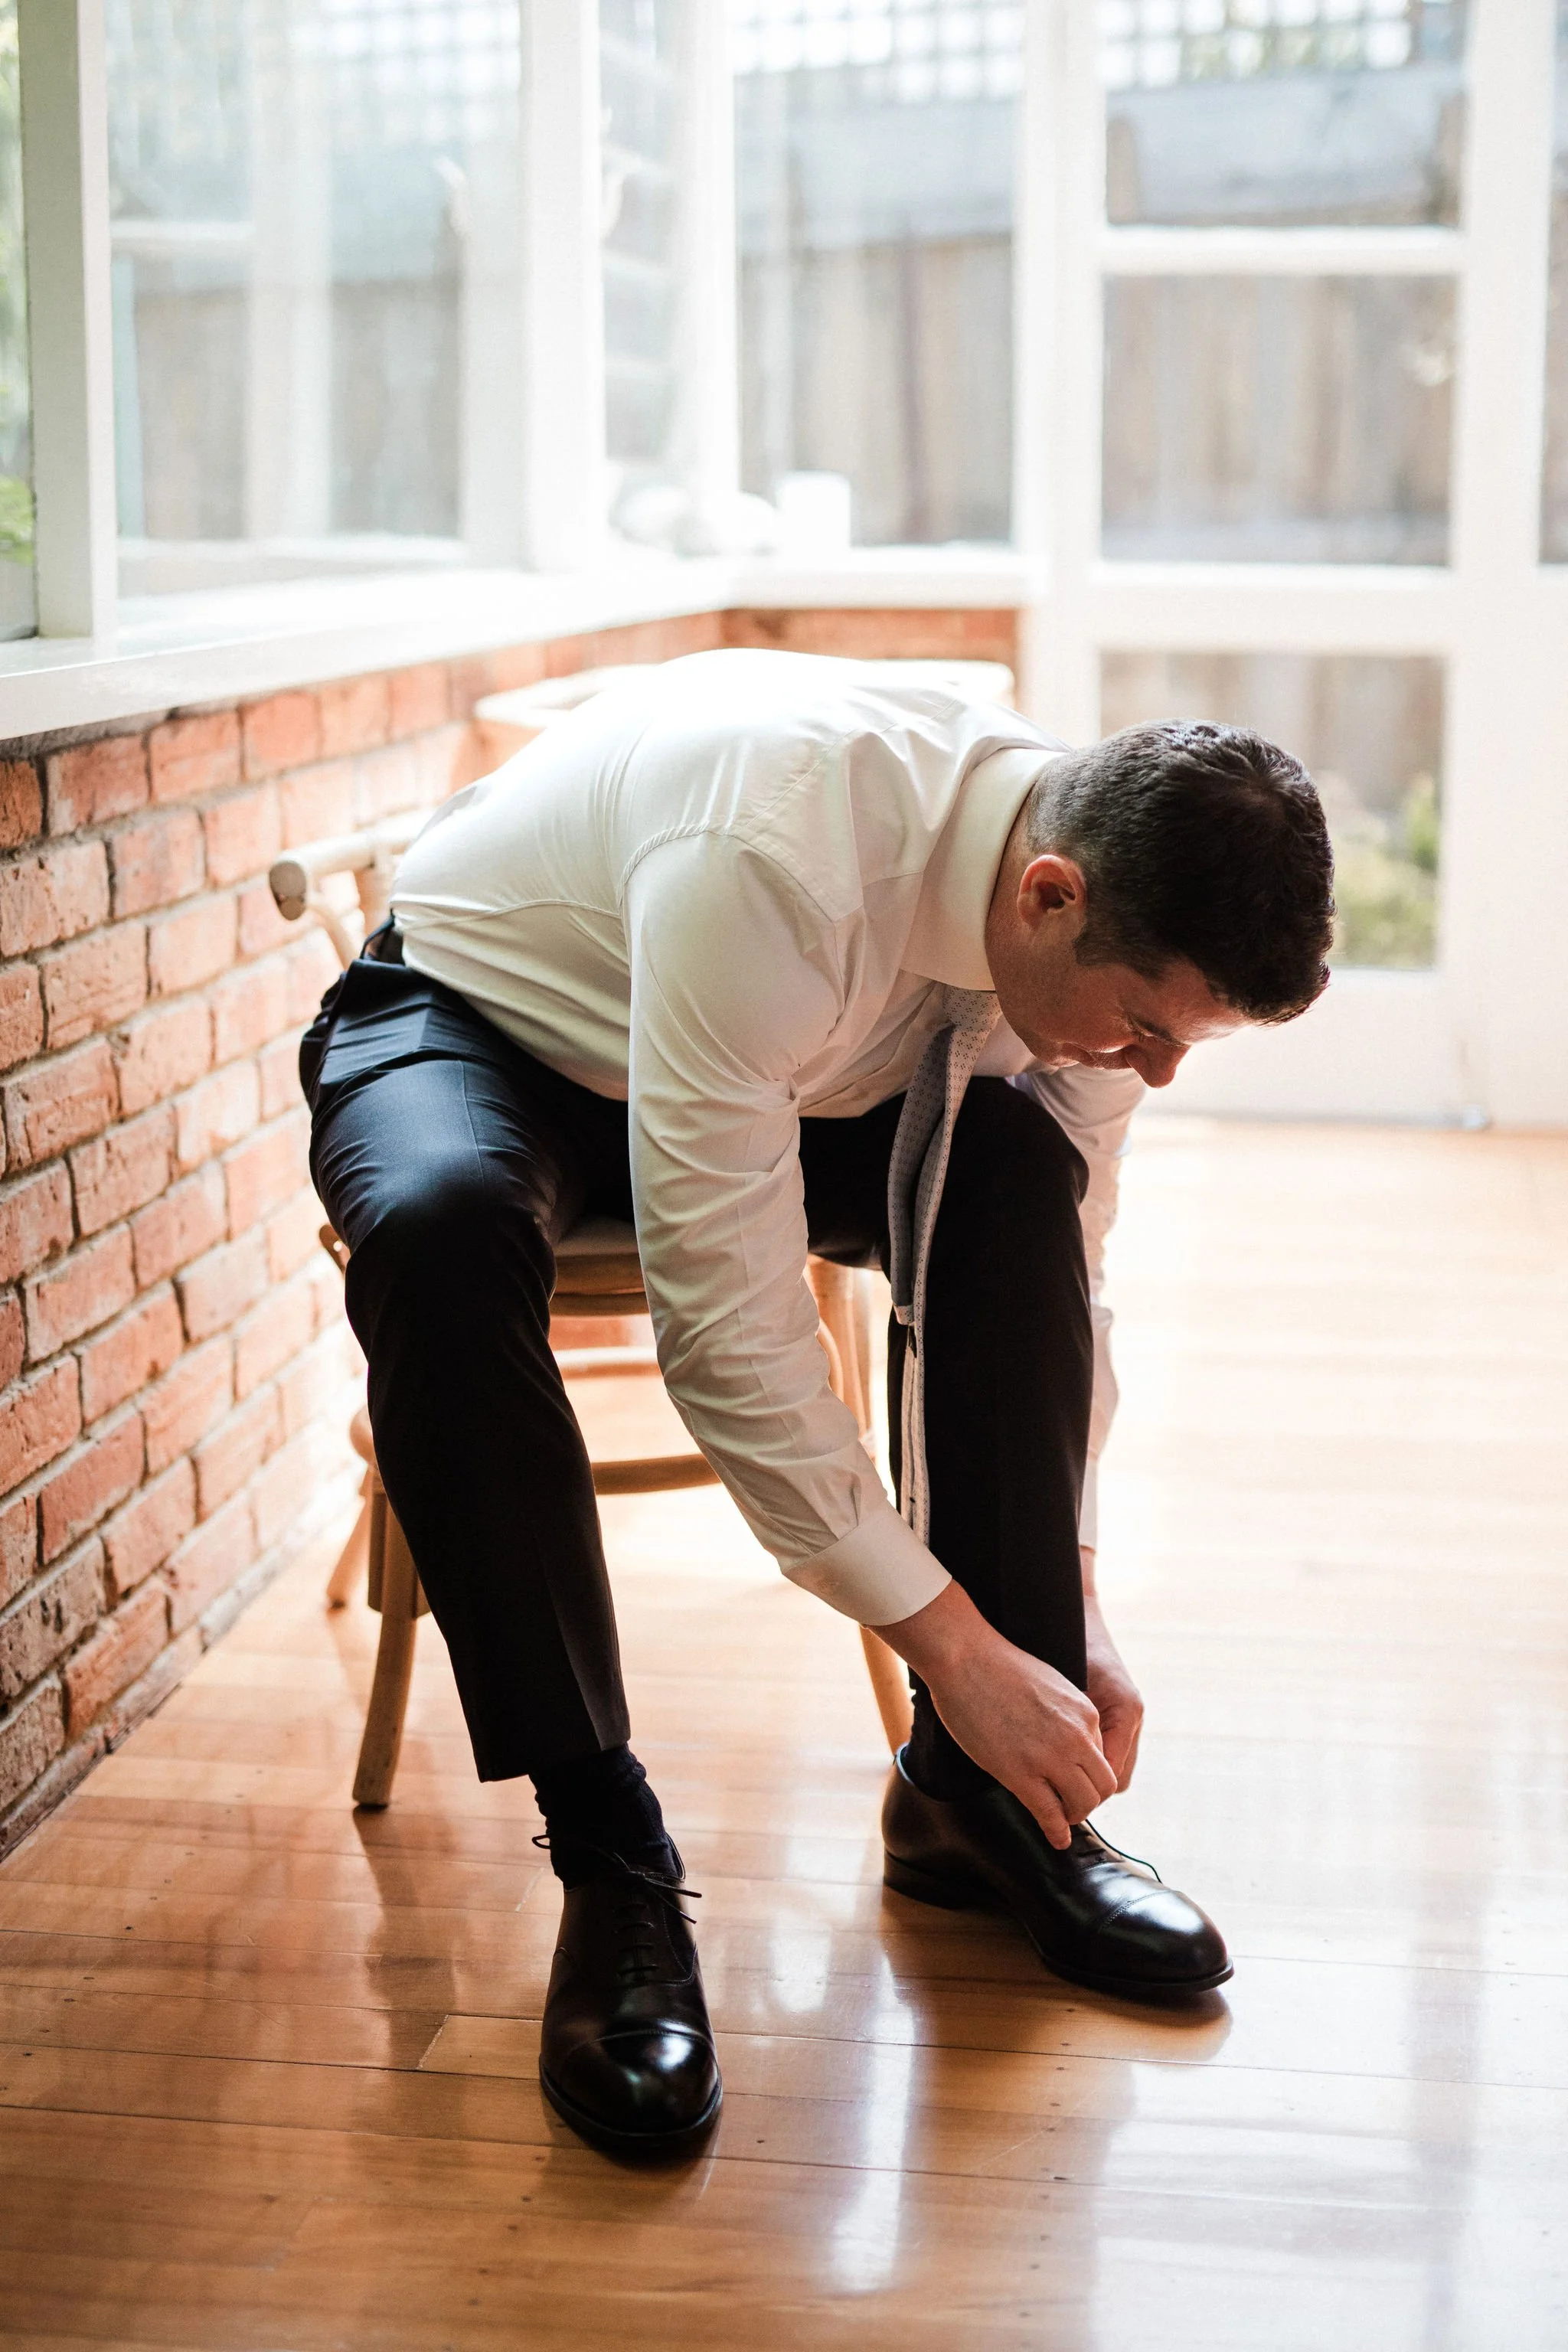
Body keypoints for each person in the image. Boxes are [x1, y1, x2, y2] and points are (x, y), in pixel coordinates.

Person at [302, 648, 1334, 2158]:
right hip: (483, 1025)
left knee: (1014, 1180)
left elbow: (1075, 1270)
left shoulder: (1103, 933)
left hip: (787, 1062)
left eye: (1191, 1043)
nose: (1158, 1074)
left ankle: (980, 1804)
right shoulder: (779, 854)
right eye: (1147, 1029)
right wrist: (949, 1638)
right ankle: (613, 1863)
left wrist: (1076, 1595)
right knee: (442, 1235)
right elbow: (727, 1326)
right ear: (1048, 895)